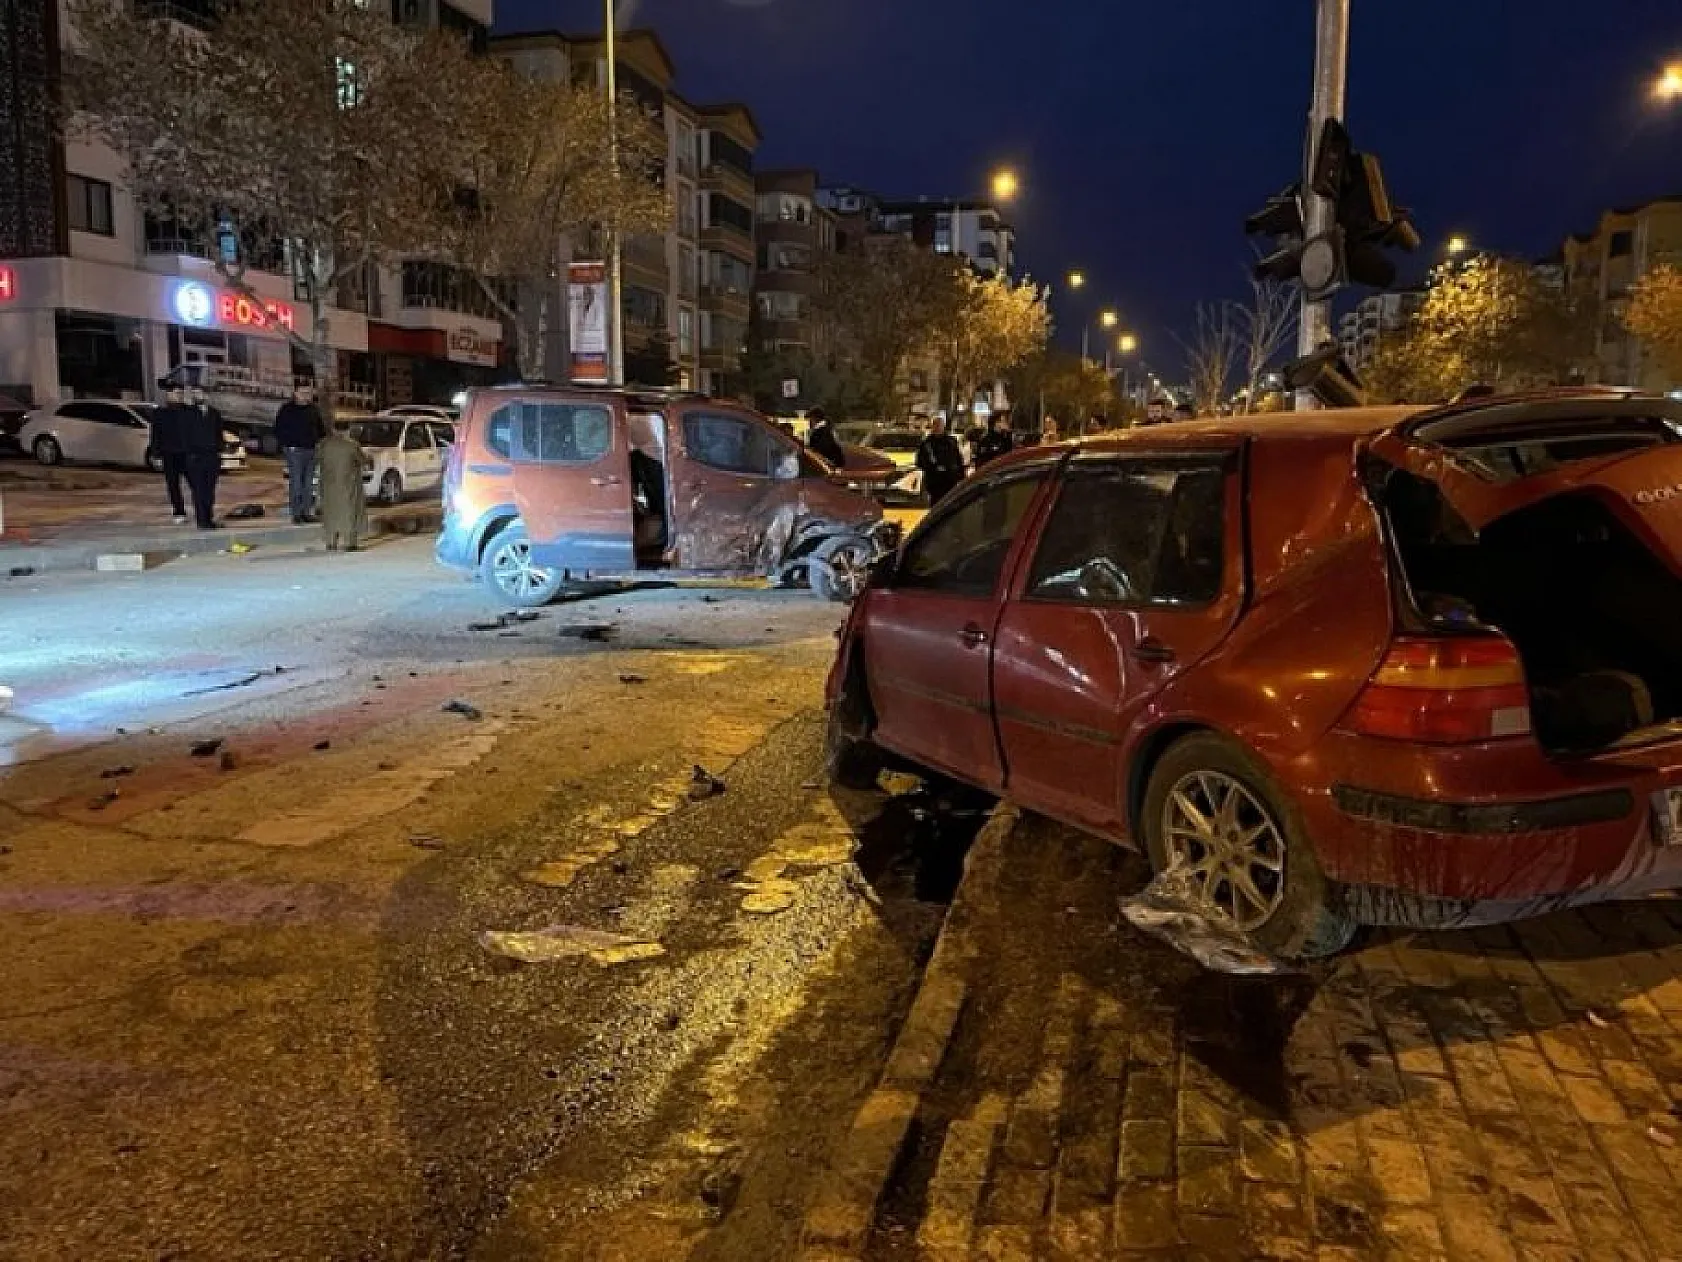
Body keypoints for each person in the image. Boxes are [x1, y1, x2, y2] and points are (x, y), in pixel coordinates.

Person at [274, 384, 326, 523]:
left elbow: (321, 429)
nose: (306, 395)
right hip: (295, 450)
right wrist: (288, 445)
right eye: (303, 392)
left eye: (309, 393)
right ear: (295, 393)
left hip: (311, 450)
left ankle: (307, 512)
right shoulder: (287, 410)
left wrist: (318, 442)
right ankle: (296, 513)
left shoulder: (313, 410)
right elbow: (278, 429)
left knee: (308, 483)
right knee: (296, 482)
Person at [317, 420, 370, 552]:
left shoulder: (324, 444)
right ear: (348, 430)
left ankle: (331, 541)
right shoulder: (352, 445)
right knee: (349, 512)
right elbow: (362, 460)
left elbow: (318, 458)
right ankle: (350, 542)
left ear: (334, 429)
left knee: (330, 512)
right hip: (348, 484)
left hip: (329, 484)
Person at [181, 386, 225, 529]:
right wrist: (189, 454)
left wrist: (219, 451)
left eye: (199, 393)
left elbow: (219, 434)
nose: (197, 395)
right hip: (196, 456)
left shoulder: (214, 414)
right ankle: (202, 519)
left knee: (209, 490)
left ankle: (209, 517)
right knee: (199, 489)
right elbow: (184, 435)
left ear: (206, 395)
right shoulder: (188, 413)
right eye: (194, 393)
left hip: (211, 456)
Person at [151, 379, 193, 524]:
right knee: (173, 485)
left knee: (196, 483)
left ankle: (202, 509)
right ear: (169, 394)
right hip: (169, 454)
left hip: (187, 454)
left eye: (181, 393)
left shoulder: (189, 411)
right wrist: (156, 454)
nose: (179, 396)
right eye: (176, 393)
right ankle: (179, 512)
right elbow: (156, 434)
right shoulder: (160, 413)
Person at [915, 414, 967, 506]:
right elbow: (920, 462)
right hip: (935, 481)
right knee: (936, 505)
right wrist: (933, 469)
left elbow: (958, 458)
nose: (938, 427)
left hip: (951, 479)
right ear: (932, 426)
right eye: (936, 425)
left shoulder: (951, 441)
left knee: (950, 504)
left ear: (944, 426)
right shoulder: (927, 443)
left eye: (940, 425)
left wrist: (961, 475)